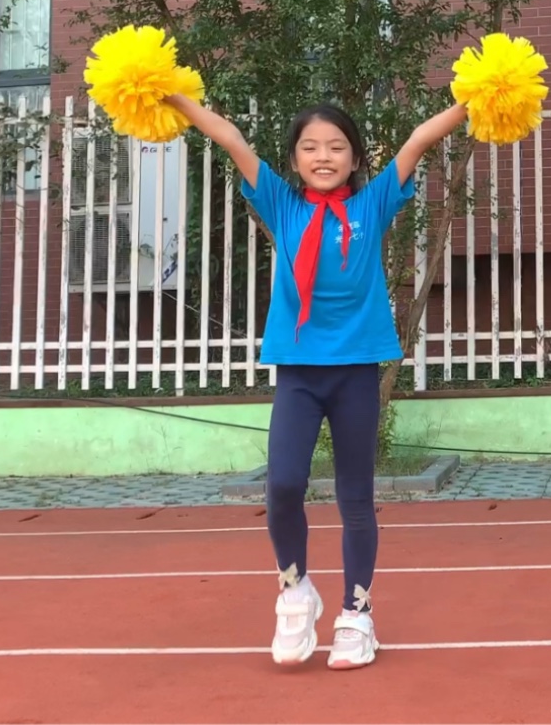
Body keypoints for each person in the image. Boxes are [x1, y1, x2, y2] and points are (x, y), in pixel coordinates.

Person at [166, 92, 466, 670]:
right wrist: (177, 98)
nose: (323, 156)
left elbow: (418, 141)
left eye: (336, 147)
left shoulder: (374, 203)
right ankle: (295, 591)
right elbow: (230, 138)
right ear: (295, 159)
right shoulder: (281, 203)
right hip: (299, 373)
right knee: (282, 485)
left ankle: (357, 614)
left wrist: (475, 101)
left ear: (354, 160)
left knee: (357, 497)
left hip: (355, 371)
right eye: (310, 147)